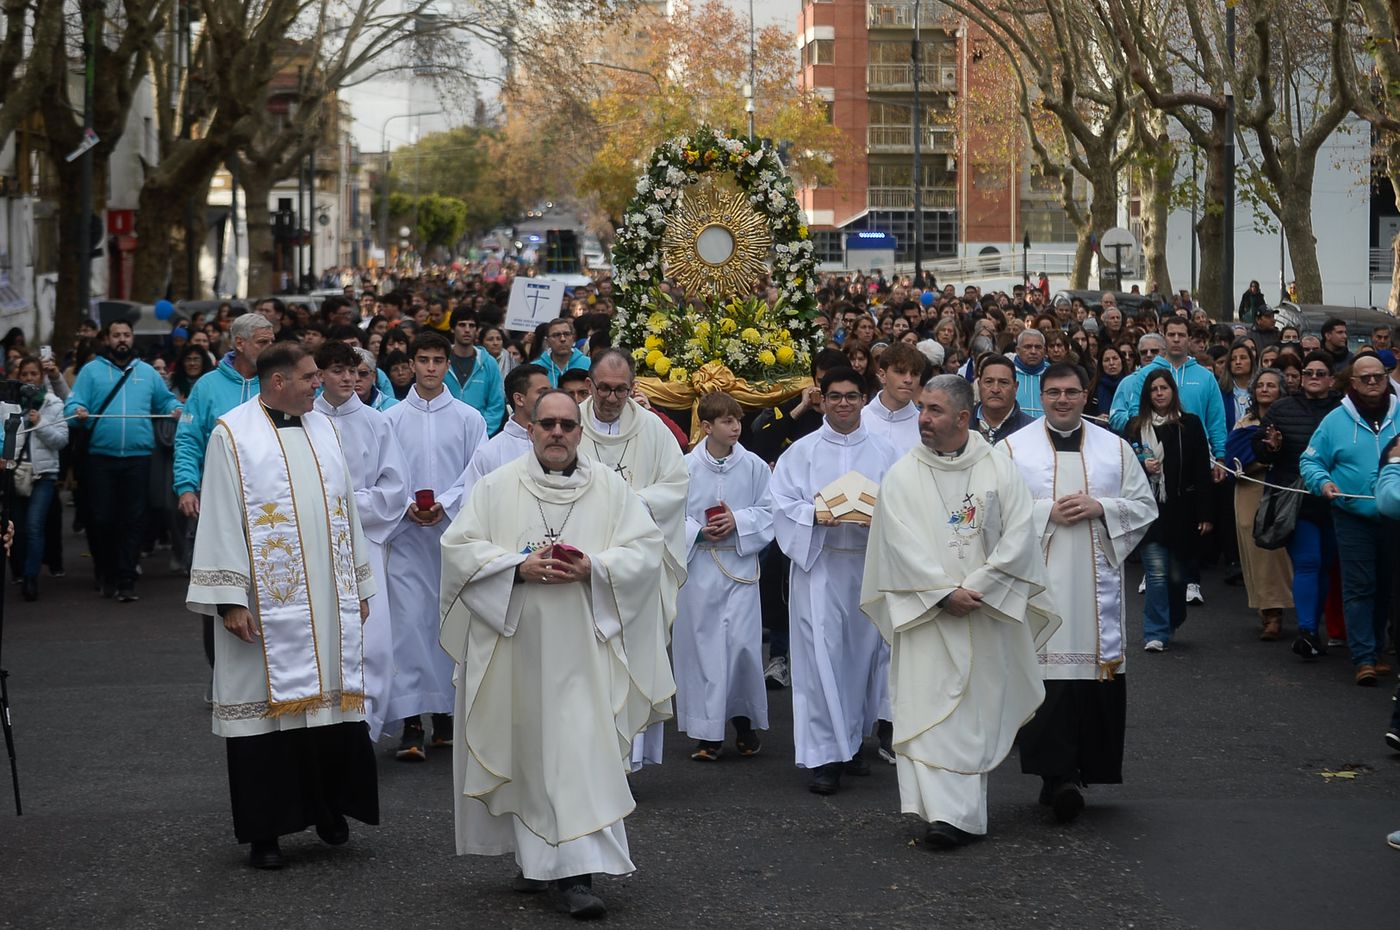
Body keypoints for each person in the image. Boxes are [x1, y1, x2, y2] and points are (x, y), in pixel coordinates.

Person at [438, 390, 663, 920]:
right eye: (548, 424)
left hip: (586, 651)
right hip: (515, 649)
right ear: (530, 427)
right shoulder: (495, 487)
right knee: (525, 753)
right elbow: (458, 550)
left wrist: (595, 568)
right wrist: (515, 568)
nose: (558, 433)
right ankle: (536, 858)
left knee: (577, 755)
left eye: (567, 424)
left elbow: (645, 550)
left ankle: (576, 875)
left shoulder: (611, 489)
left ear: (580, 432)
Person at [186, 342, 378, 870]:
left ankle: (330, 809)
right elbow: (221, 518)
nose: (320, 384)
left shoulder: (323, 428)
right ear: (277, 383)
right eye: (310, 377)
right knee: (263, 725)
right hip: (263, 611)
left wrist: (357, 586)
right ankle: (265, 832)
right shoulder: (233, 434)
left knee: (329, 713)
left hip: (326, 603)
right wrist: (230, 601)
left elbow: (346, 513)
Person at [862, 374, 1059, 847]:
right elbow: (897, 543)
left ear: (962, 418)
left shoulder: (998, 468)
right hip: (929, 614)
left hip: (983, 612)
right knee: (927, 709)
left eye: (932, 410)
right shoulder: (904, 474)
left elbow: (1018, 537)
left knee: (973, 713)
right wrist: (940, 594)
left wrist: (978, 588)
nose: (922, 419)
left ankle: (960, 815)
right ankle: (941, 814)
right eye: (922, 409)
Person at [1002, 364, 1156, 820]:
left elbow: (1144, 506)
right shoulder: (1014, 449)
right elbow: (996, 512)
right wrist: (1048, 512)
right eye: (1053, 392)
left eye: (1071, 392)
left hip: (1094, 591)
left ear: (1086, 395)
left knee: (1090, 680)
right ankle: (1055, 776)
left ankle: (1078, 771)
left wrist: (1101, 506)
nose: (1063, 400)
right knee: (1047, 681)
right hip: (1039, 584)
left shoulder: (1116, 448)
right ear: (1041, 395)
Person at [771, 366, 901, 795]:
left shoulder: (887, 452)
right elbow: (780, 504)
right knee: (821, 657)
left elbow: (903, 506)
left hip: (868, 564)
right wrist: (815, 515)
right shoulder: (802, 452)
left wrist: (877, 517)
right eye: (835, 396)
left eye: (851, 395)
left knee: (862, 660)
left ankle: (850, 743)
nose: (844, 403)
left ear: (863, 399)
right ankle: (825, 755)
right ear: (822, 401)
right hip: (820, 565)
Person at [579, 350, 688, 771]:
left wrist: (627, 501)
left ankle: (627, 762)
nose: (610, 397)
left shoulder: (653, 430)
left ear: (633, 388)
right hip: (584, 566)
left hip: (636, 571)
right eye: (603, 388)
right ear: (589, 385)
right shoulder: (570, 424)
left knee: (633, 661)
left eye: (620, 389)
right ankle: (585, 759)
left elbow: (677, 485)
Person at [383, 332, 488, 757]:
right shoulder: (390, 419)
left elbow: (476, 474)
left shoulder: (468, 418)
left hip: (450, 537)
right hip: (407, 537)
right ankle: (411, 721)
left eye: (437, 360)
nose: (430, 368)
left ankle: (445, 714)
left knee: (447, 622)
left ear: (448, 364)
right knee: (407, 627)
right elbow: (383, 473)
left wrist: (444, 503)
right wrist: (406, 504)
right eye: (422, 360)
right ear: (410, 365)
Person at [312, 341, 408, 741]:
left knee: (375, 642)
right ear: (319, 376)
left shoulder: (376, 421)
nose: (349, 379)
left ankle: (364, 730)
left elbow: (394, 490)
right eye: (338, 371)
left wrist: (344, 503)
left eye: (355, 371)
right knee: (324, 635)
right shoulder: (305, 421)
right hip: (316, 540)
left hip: (364, 541)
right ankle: (325, 724)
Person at [672, 392, 773, 761]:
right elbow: (670, 515)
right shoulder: (683, 467)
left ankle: (744, 724)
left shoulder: (755, 466)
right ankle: (707, 734)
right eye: (727, 421)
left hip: (739, 566)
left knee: (743, 649)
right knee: (704, 650)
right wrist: (697, 532)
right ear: (706, 426)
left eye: (738, 420)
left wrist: (738, 521)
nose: (736, 427)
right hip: (700, 565)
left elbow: (769, 509)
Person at [1299, 354, 1399, 685]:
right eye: (1365, 378)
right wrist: (1322, 482)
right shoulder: (1334, 421)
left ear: (1387, 378)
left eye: (1378, 377)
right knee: (1359, 585)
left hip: (1394, 517)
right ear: (1352, 382)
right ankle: (1364, 657)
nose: (1373, 382)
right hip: (1351, 515)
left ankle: (1378, 646)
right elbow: (1310, 462)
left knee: (1387, 584)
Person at [65, 320, 183, 601]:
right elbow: (72, 403)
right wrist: (78, 410)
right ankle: (105, 571)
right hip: (100, 458)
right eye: (116, 335)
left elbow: (166, 401)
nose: (122, 339)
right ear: (107, 339)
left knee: (133, 520)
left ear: (132, 339)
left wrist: (176, 408)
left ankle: (127, 578)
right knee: (103, 519)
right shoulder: (91, 372)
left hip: (138, 458)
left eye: (126, 335)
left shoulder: (146, 372)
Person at [1254, 351, 1343, 658]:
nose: (1314, 378)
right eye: (1309, 373)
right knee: (1308, 561)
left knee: (1326, 565)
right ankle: (1306, 630)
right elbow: (1261, 449)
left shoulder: (1345, 410)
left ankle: (1314, 627)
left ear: (1331, 379)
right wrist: (1271, 446)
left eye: (1321, 373)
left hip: (1336, 498)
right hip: (1296, 499)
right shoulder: (1281, 408)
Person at [1126, 369, 1213, 650]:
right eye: (1154, 389)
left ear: (1173, 392)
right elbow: (1122, 468)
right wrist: (1142, 466)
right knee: (1157, 573)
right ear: (1147, 395)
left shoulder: (1190, 424)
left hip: (1182, 511)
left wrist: (1205, 513)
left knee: (1177, 576)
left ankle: (1173, 618)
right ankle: (1155, 632)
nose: (1159, 393)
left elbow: (1202, 470)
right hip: (1149, 511)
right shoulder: (1135, 427)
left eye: (1164, 388)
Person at [174, 313, 276, 519]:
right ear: (240, 343)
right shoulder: (206, 386)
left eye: (272, 342)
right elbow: (188, 440)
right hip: (217, 492)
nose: (270, 348)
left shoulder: (278, 383)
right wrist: (186, 486)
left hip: (271, 493)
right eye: (263, 342)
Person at [1225, 369, 1294, 640]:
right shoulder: (1245, 423)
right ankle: (1266, 609)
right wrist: (1263, 459)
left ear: (1282, 391)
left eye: (1271, 385)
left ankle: (1276, 610)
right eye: (1260, 385)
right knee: (1254, 546)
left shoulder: (1289, 420)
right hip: (1249, 487)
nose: (1264, 389)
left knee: (1277, 549)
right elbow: (1234, 458)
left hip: (1282, 486)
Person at [443, 363, 552, 513]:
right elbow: (471, 511)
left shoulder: (562, 443)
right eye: (542, 392)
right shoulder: (488, 453)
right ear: (519, 399)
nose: (551, 398)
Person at [9, 356, 68, 601]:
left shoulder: (53, 404)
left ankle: (31, 578)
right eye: (26, 374)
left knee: (34, 526)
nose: (30, 378)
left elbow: (61, 440)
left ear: (41, 377)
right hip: (16, 472)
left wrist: (40, 423)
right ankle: (20, 569)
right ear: (19, 377)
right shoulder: (10, 405)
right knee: (18, 530)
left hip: (43, 474)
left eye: (34, 374)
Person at [444, 308, 506, 434]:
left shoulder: (489, 363)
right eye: (462, 325)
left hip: (479, 433)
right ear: (452, 329)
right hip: (445, 432)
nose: (467, 330)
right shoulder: (441, 360)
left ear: (477, 331)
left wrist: (483, 433)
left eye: (471, 326)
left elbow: (496, 403)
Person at [861, 343, 924, 453]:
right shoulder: (859, 420)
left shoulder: (925, 428)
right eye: (900, 372)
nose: (908, 380)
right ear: (882, 375)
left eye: (914, 373)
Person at [973, 354, 1034, 444]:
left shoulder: (1032, 429)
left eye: (1003, 382)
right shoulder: (960, 425)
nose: (995, 389)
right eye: (989, 382)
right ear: (979, 385)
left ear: (1015, 387)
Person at [538, 317, 591, 387]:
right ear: (547, 341)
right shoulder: (536, 368)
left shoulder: (589, 364)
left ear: (573, 338)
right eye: (556, 335)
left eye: (566, 334)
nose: (562, 339)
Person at [1012, 329, 1050, 418]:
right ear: (1017, 350)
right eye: (1028, 347)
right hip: (1015, 429)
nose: (1033, 351)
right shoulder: (1008, 374)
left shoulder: (1052, 375)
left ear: (1044, 350)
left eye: (1038, 347)